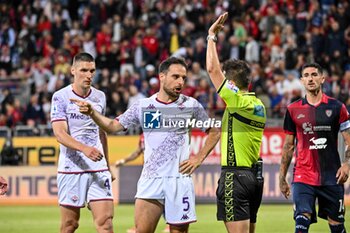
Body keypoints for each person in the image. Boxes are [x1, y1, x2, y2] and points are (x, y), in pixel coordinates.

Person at [71, 56, 221, 233]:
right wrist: (92, 113)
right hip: (151, 180)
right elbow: (112, 126)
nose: (180, 82)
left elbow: (214, 130)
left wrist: (199, 157)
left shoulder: (191, 105)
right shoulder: (143, 106)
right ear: (162, 76)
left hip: (179, 180)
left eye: (183, 78)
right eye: (175, 77)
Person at [206, 12, 266, 233]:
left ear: (231, 83)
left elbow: (212, 70)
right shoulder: (259, 105)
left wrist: (211, 36)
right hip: (254, 178)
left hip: (235, 177)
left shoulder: (237, 101)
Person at [279, 62, 350, 233]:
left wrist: (347, 164)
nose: (310, 78)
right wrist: (282, 176)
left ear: (322, 78)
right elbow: (288, 146)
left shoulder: (337, 107)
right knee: (301, 224)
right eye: (306, 75)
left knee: (337, 226)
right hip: (303, 176)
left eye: (314, 74)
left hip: (332, 177)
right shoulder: (293, 109)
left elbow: (349, 140)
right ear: (302, 80)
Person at [50, 52, 114, 233]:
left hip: (98, 167)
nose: (89, 75)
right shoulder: (60, 97)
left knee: (106, 223)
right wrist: (84, 148)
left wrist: (107, 166)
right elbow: (60, 133)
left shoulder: (100, 96)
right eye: (84, 70)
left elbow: (102, 132)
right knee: (70, 225)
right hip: (71, 168)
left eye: (92, 70)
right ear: (73, 70)